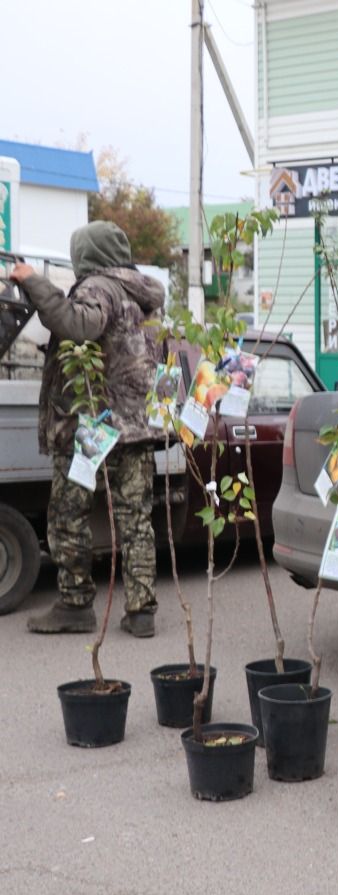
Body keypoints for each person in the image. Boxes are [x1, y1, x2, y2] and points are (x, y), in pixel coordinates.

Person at [10, 221, 165, 637]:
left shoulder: (98, 286)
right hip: (137, 426)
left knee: (68, 514)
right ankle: (141, 611)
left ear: (88, 255)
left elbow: (80, 326)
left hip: (93, 428)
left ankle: (75, 604)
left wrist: (35, 283)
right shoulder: (143, 297)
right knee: (136, 520)